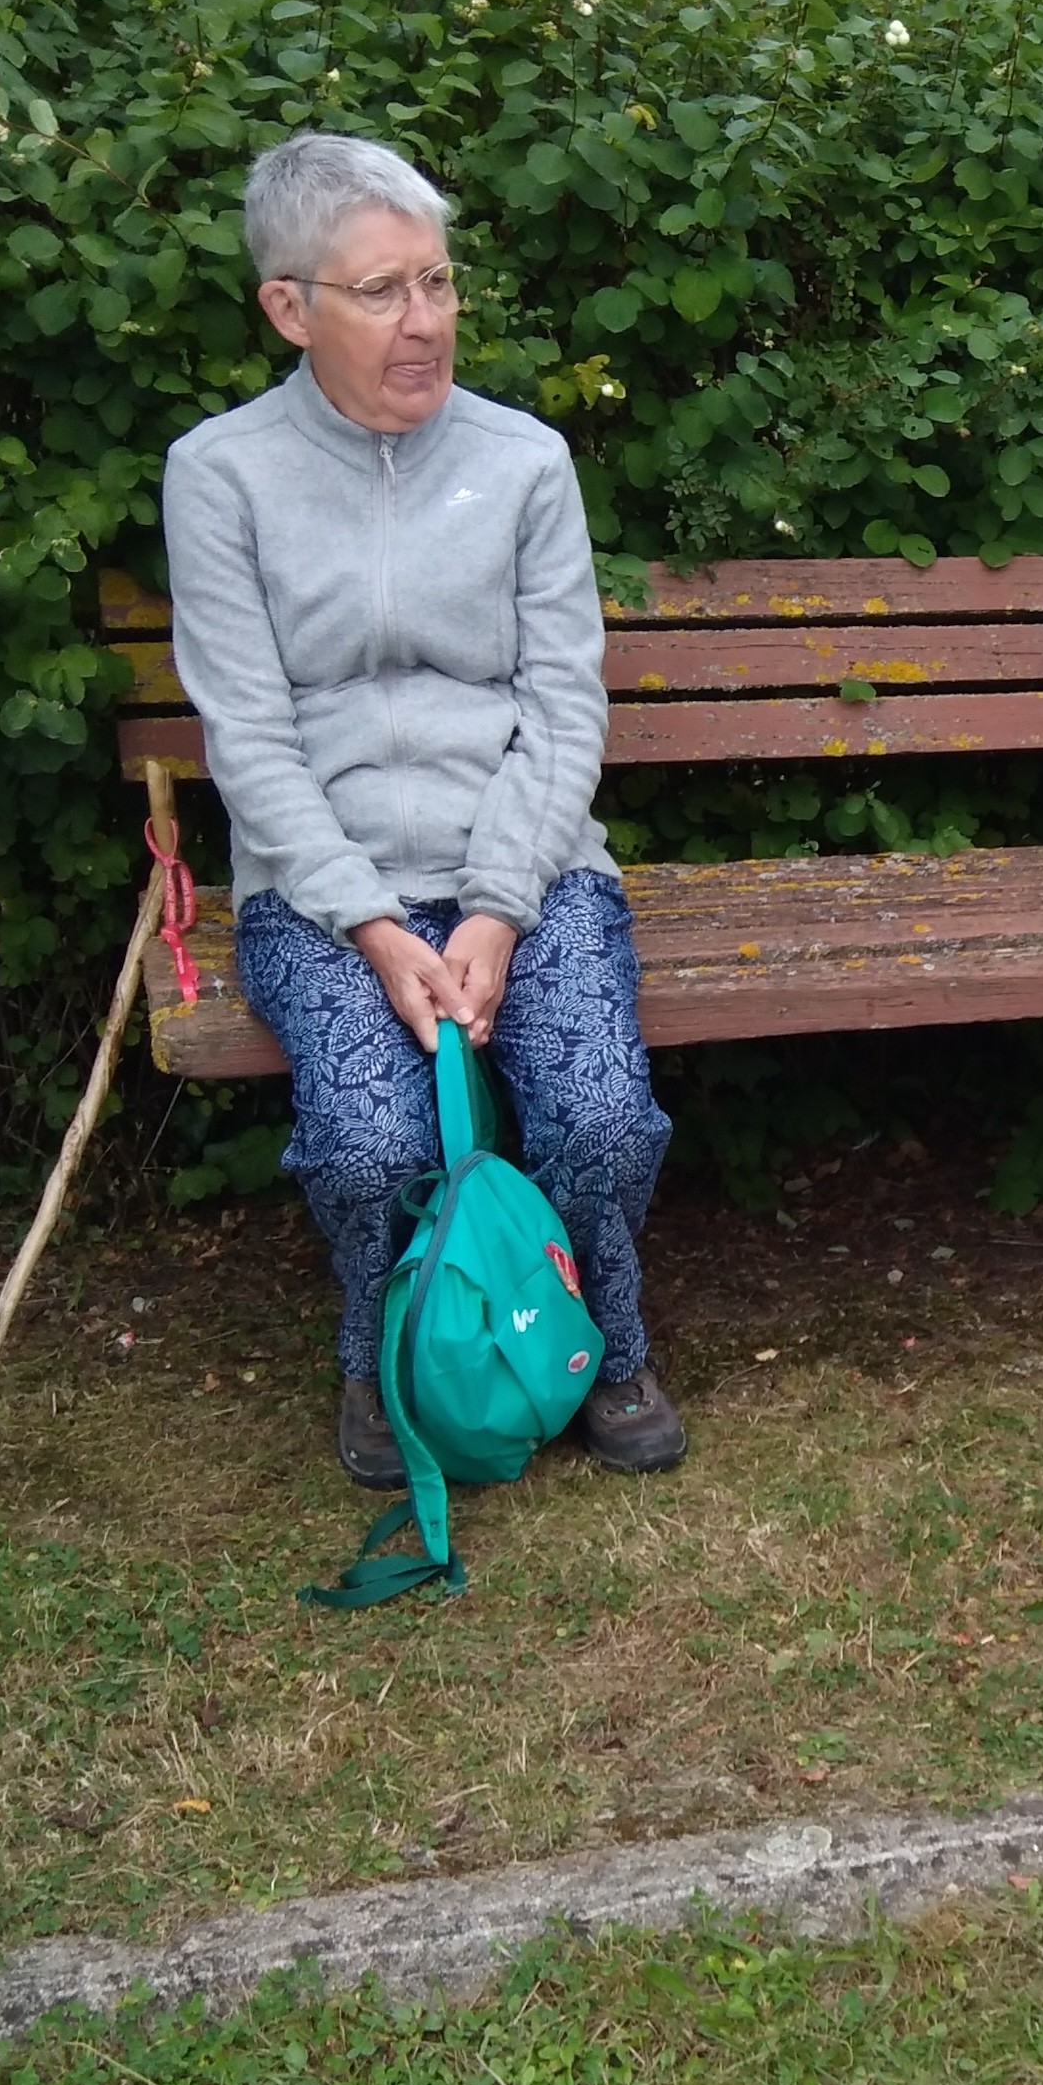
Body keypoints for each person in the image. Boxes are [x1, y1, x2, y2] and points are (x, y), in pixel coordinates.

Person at [164, 133, 685, 1486]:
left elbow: (566, 707)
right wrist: (377, 926)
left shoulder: (522, 463)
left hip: (528, 873)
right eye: (383, 291)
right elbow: (252, 740)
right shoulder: (221, 476)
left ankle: (601, 1341)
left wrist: (503, 910)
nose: (426, 323)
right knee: (369, 1139)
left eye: (440, 284)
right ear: (290, 307)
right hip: (325, 893)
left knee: (598, 1118)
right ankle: (377, 1350)